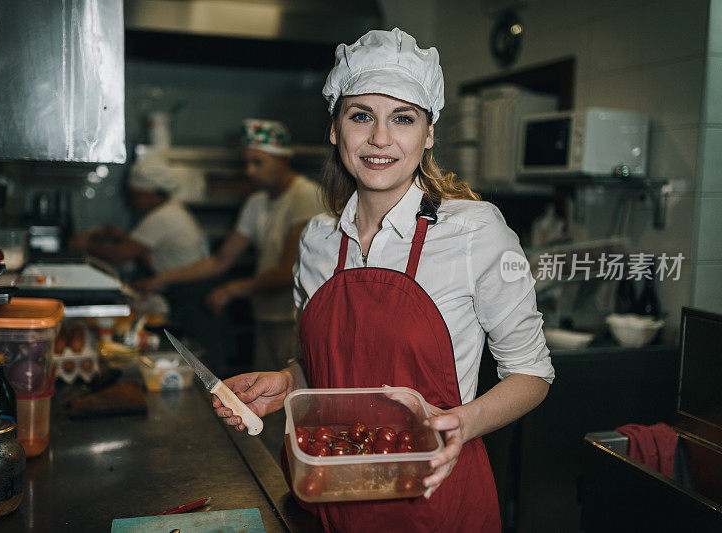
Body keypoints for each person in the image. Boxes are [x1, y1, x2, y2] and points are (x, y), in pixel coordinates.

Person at [211, 28, 555, 532]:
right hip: (330, 496)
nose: (379, 138)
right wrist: (289, 382)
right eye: (360, 116)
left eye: (403, 118)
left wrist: (462, 423)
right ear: (335, 129)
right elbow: (323, 369)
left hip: (435, 503)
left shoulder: (474, 232)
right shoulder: (318, 240)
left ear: (429, 133)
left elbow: (531, 374)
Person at [135, 120, 324, 371]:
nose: (249, 171)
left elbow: (288, 271)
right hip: (265, 315)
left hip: (297, 319)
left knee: (292, 398)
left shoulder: (305, 197)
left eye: (258, 162)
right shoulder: (256, 202)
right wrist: (162, 279)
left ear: (283, 161)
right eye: (247, 163)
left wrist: (232, 289)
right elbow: (221, 259)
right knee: (268, 400)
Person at [70, 156, 208, 275]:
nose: (133, 201)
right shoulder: (171, 208)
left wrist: (85, 245)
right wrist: (122, 236)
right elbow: (142, 246)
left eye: (136, 195)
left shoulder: (162, 216)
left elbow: (120, 255)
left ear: (149, 193)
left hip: (182, 290)